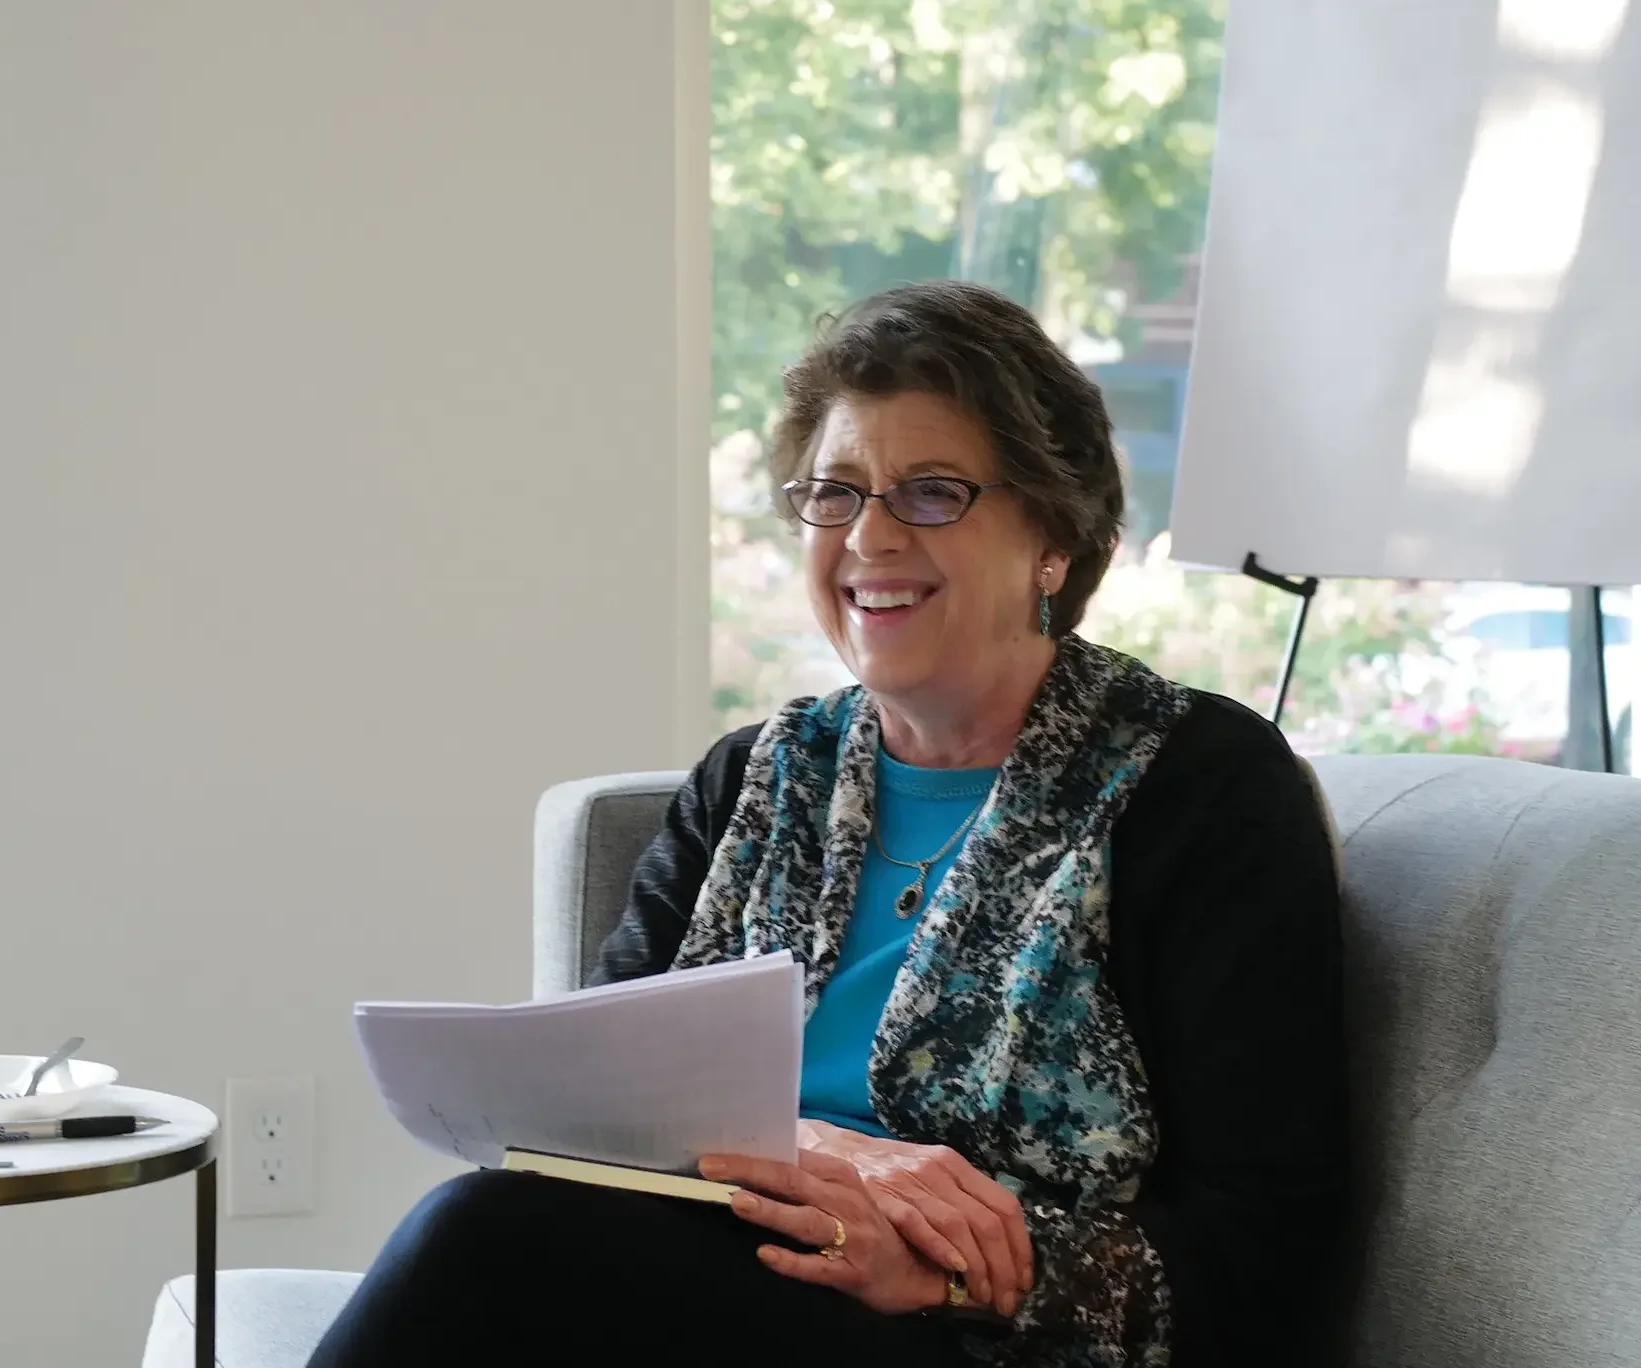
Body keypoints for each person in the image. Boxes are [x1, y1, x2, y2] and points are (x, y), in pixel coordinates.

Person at [308, 281, 1346, 1367]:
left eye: (932, 494)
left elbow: (1265, 1248)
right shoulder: (752, 780)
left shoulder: (1197, 787)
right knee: (496, 1236)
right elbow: (580, 1124)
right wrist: (817, 1150)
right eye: (834, 493)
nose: (869, 536)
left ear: (1053, 536)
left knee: (480, 1240)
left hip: (976, 1344)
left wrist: (949, 1271)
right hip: (699, 1289)